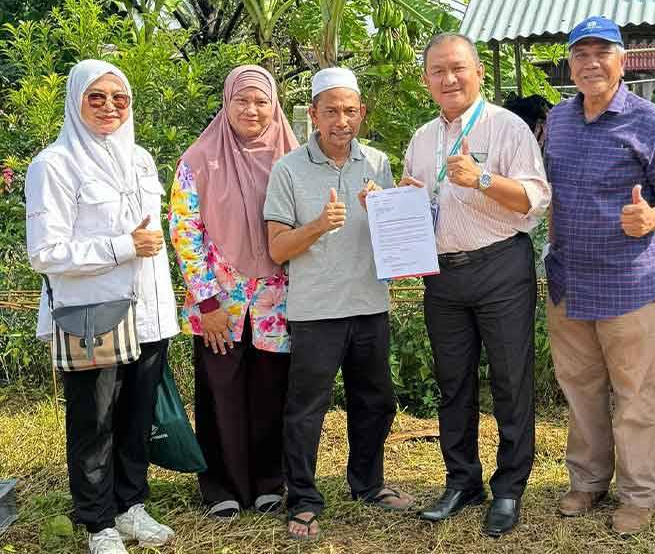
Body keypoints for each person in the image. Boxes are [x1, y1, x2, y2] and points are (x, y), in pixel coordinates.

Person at [25, 60, 179, 554]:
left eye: (120, 97)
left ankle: (130, 504)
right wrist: (122, 247)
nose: (110, 106)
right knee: (94, 421)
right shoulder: (54, 164)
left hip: (150, 311)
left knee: (137, 417)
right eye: (97, 97)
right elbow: (44, 253)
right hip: (95, 316)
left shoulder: (140, 159)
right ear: (75, 101)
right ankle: (97, 521)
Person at [401, 33, 550, 538]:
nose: (449, 78)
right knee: (453, 382)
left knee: (510, 380)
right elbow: (419, 210)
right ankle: (462, 479)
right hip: (442, 273)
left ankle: (509, 486)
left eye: (458, 68)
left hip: (500, 265)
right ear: (425, 81)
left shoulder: (506, 127)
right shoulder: (422, 140)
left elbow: (534, 199)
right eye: (438, 71)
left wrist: (482, 178)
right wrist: (393, 207)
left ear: (479, 71)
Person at [543, 16, 655, 535]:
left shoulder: (650, 122)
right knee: (580, 389)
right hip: (567, 280)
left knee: (634, 395)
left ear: (622, 60)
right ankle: (587, 482)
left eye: (602, 52)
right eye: (581, 54)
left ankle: (638, 494)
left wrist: (651, 218)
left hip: (626, 283)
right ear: (571, 64)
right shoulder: (558, 119)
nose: (591, 63)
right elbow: (550, 193)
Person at [263, 67, 410, 541]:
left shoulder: (377, 162)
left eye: (350, 111)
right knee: (307, 408)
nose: (341, 120)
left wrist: (389, 208)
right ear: (313, 115)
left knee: (377, 400)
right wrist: (318, 225)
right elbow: (277, 249)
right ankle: (303, 499)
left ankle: (368, 483)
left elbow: (394, 239)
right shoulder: (288, 169)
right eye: (331, 111)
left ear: (362, 113)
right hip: (316, 310)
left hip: (369, 303)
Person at [168, 65, 298, 519]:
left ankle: (267, 481)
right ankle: (221, 487)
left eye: (261, 101)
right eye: (242, 100)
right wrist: (207, 303)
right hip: (219, 302)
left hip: (276, 301)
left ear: (274, 105)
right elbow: (185, 232)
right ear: (226, 102)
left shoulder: (292, 158)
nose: (252, 109)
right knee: (219, 389)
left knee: (271, 391)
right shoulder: (199, 160)